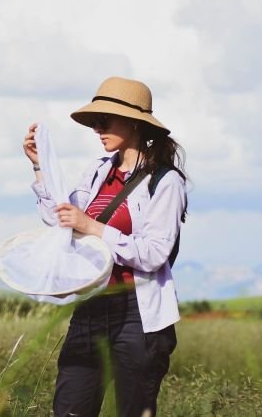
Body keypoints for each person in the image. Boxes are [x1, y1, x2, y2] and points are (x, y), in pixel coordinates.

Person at [23, 76, 187, 417]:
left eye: (105, 119)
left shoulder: (165, 181)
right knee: (69, 409)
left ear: (134, 123)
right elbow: (62, 221)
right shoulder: (98, 172)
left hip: (138, 316)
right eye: (95, 121)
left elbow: (154, 254)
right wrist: (40, 167)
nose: (97, 127)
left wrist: (93, 227)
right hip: (92, 308)